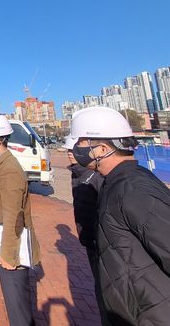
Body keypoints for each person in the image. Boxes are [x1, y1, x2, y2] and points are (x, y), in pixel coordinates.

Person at [70, 106, 170, 325]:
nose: (75, 148)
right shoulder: (116, 184)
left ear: (101, 149)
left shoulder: (134, 190)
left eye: (81, 142)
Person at [0, 114, 40, 326]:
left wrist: (7, 254)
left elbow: (14, 215)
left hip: (12, 251)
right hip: (6, 246)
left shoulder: (9, 168)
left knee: (18, 311)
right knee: (16, 307)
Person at [64, 135, 109, 325]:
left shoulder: (96, 177)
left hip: (104, 244)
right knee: (102, 290)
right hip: (91, 241)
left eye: (73, 151)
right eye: (67, 151)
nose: (70, 155)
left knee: (109, 293)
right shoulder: (78, 174)